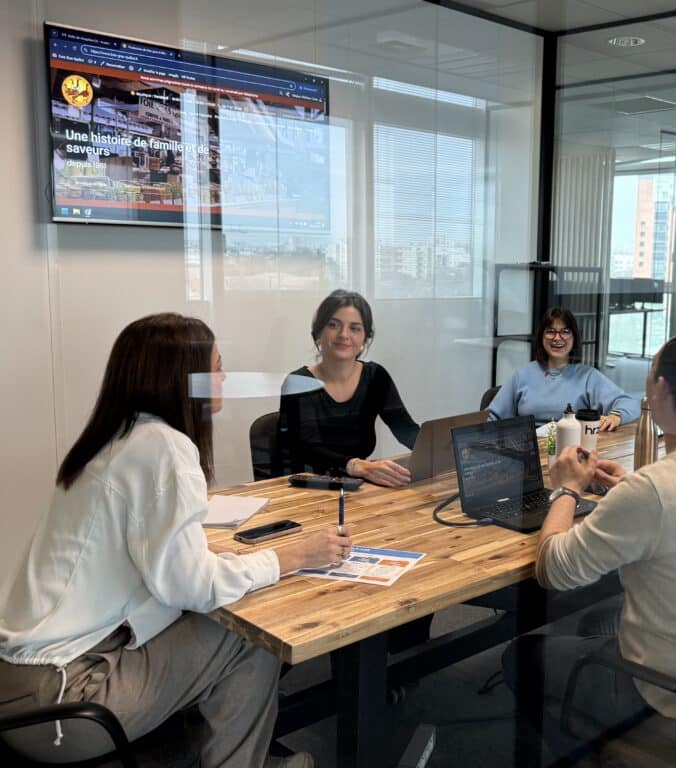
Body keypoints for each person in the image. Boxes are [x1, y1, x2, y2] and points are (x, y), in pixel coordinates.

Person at [0, 313, 349, 768]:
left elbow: (140, 555)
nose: (224, 376)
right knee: (250, 635)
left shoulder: (113, 439)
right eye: (216, 367)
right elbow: (189, 588)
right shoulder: (164, 448)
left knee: (215, 618)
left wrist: (198, 555)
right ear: (184, 380)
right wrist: (288, 557)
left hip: (21, 688)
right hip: (65, 704)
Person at [502, 318, 676, 759]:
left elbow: (553, 569)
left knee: (520, 656)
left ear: (661, 394)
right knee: (594, 622)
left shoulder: (655, 491)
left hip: (664, 693)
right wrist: (625, 494)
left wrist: (566, 489)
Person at [278, 290, 419, 487]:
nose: (344, 335)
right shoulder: (298, 382)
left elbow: (406, 429)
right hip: (310, 490)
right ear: (319, 333)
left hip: (361, 487)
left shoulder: (376, 377)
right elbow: (308, 449)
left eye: (354, 328)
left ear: (365, 339)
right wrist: (355, 466)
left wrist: (440, 451)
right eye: (333, 325)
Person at [487, 307, 640, 430]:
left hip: (572, 450)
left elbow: (629, 403)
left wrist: (615, 416)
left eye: (565, 331)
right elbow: (492, 416)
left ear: (574, 337)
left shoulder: (587, 376)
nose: (557, 338)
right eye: (550, 331)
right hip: (529, 450)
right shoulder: (522, 375)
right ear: (542, 337)